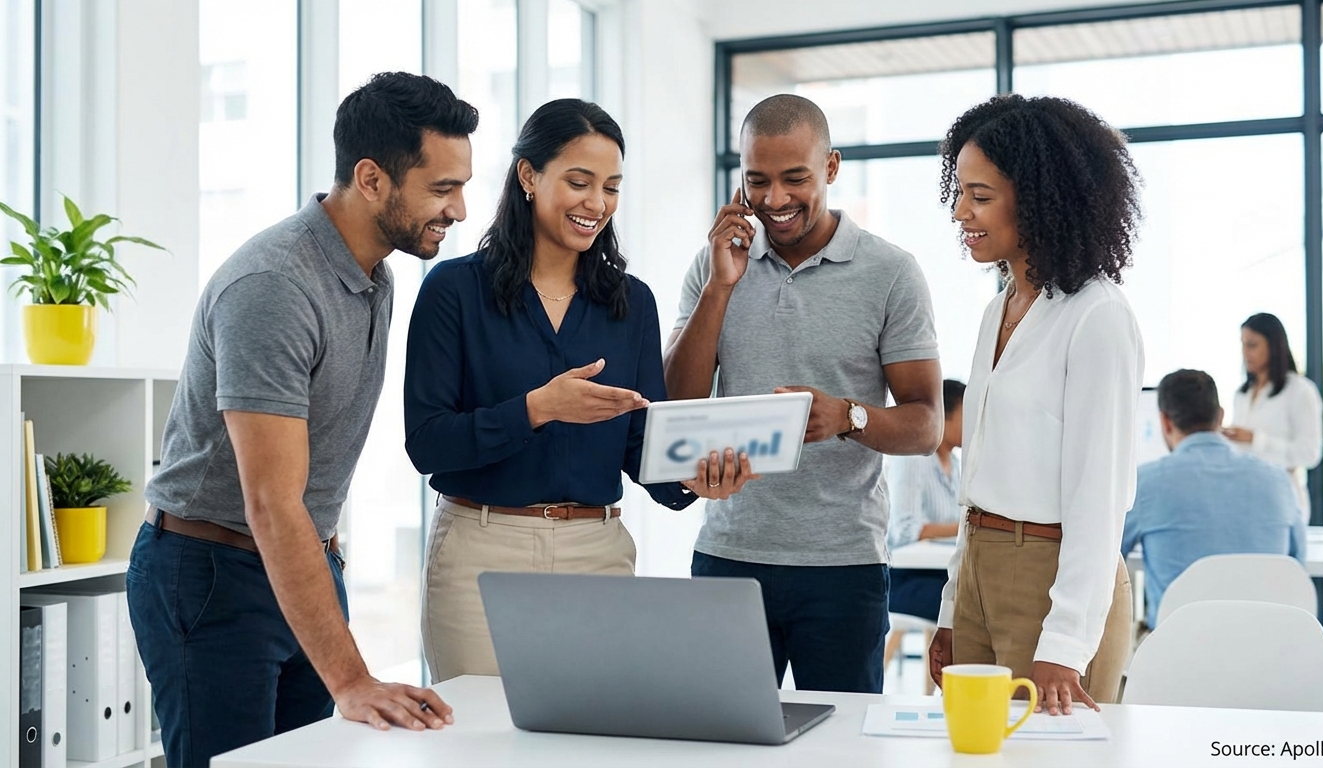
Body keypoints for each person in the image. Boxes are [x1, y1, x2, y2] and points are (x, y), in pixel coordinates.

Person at [128, 72, 471, 767]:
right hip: (212, 572)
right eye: (441, 188)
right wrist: (351, 678)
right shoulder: (275, 286)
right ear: (371, 178)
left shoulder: (378, 274)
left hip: (298, 559)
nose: (460, 209)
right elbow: (270, 503)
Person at [404, 99, 752, 683]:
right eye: (579, 182)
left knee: (595, 740)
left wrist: (695, 476)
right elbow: (428, 444)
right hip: (481, 556)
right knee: (482, 743)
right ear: (528, 176)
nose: (597, 203)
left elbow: (643, 448)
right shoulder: (454, 290)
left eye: (611, 187)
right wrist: (536, 410)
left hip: (598, 554)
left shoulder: (630, 302)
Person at [664, 93, 944, 695]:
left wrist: (849, 416)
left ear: (832, 168)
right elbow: (676, 402)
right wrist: (720, 286)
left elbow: (927, 425)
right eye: (756, 181)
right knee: (720, 738)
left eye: (796, 179)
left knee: (841, 749)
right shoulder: (713, 266)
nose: (774, 201)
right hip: (729, 554)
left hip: (844, 566)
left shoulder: (890, 273)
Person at [927, 94, 1145, 717]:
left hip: (1052, 579)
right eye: (959, 191)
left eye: (981, 196)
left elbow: (1098, 496)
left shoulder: (1097, 317)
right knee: (970, 758)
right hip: (979, 568)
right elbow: (977, 481)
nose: (960, 211)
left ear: (1041, 198)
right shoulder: (998, 309)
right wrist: (951, 607)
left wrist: (1068, 643)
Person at [1122, 369, 1305, 633]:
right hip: (1266, 652)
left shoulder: (1145, 483)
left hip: (1177, 656)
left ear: (1165, 421)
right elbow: (1295, 564)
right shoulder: (1278, 480)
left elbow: (1111, 560)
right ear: (1220, 416)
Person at [1220, 312, 1323, 517]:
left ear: (1274, 346)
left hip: (1283, 499)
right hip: (1243, 498)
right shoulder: (1242, 394)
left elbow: (1310, 453)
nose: (1245, 352)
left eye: (1252, 345)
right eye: (1242, 344)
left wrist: (1255, 439)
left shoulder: (1300, 390)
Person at [886, 378, 966, 621]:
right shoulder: (913, 458)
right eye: (968, 414)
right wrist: (963, 528)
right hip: (905, 580)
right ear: (944, 415)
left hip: (941, 572)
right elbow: (905, 530)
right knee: (971, 608)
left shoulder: (954, 464)